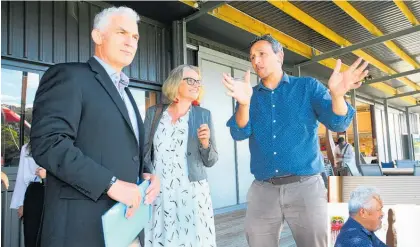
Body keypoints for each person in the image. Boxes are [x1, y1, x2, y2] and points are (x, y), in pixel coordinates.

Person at [30, 6, 160, 247]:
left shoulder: (127, 93)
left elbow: (129, 151)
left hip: (125, 226)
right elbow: (48, 144)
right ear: (98, 36)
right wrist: (110, 183)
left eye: (135, 37)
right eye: (122, 32)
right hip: (81, 228)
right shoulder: (69, 76)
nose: (130, 42)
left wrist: (148, 172)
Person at [223, 34, 369, 247]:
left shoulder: (307, 87)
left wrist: (337, 96)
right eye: (252, 57)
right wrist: (244, 104)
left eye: (261, 54)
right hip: (263, 189)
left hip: (306, 187)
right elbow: (239, 133)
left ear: (279, 55)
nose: (256, 61)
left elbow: (338, 123)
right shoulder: (249, 95)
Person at [143, 64, 218, 247]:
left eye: (198, 81)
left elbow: (211, 160)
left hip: (192, 192)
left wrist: (206, 144)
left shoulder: (203, 115)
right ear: (176, 82)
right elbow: (144, 152)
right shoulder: (155, 113)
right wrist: (146, 176)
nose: (196, 84)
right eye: (190, 80)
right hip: (160, 192)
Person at [10, 143, 46, 247]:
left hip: (54, 190)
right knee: (31, 234)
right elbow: (21, 176)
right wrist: (21, 203)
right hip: (34, 191)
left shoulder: (60, 143)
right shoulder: (26, 147)